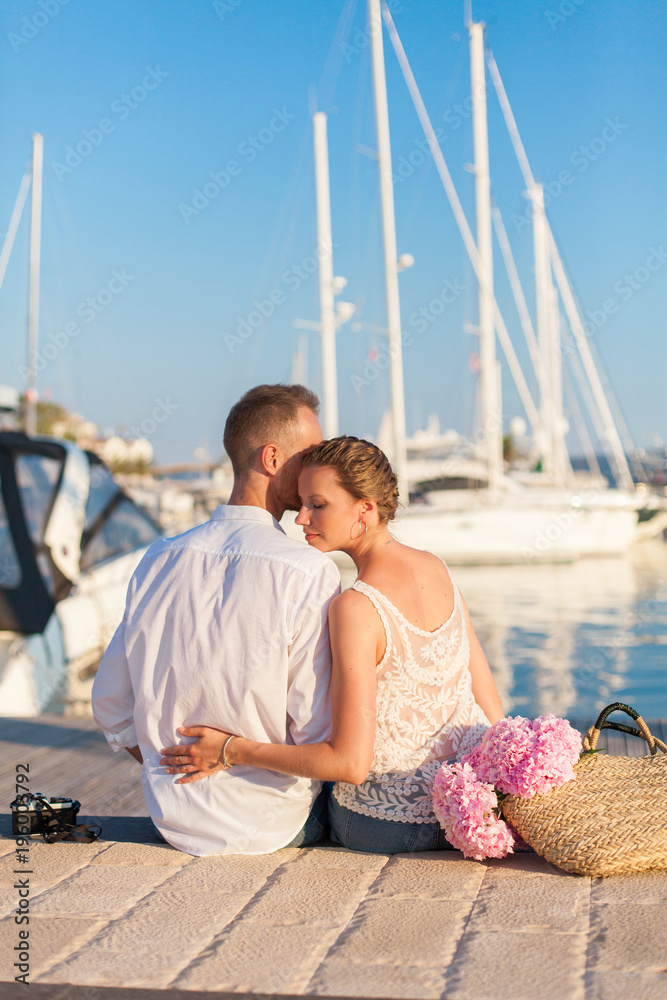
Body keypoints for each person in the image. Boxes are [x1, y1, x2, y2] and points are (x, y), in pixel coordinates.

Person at [160, 436, 503, 854]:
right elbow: (488, 701)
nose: (301, 518)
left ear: (366, 508)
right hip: (465, 805)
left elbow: (348, 764)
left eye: (318, 505)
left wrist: (231, 749)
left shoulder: (356, 606)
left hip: (384, 825)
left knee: (279, 799)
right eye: (302, 503)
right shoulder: (438, 567)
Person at [92, 384, 341, 856]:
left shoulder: (158, 558)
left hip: (173, 817)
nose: (319, 468)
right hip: (274, 823)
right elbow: (317, 735)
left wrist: (167, 768)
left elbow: (110, 705)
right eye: (310, 455)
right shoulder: (308, 570)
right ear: (272, 458)